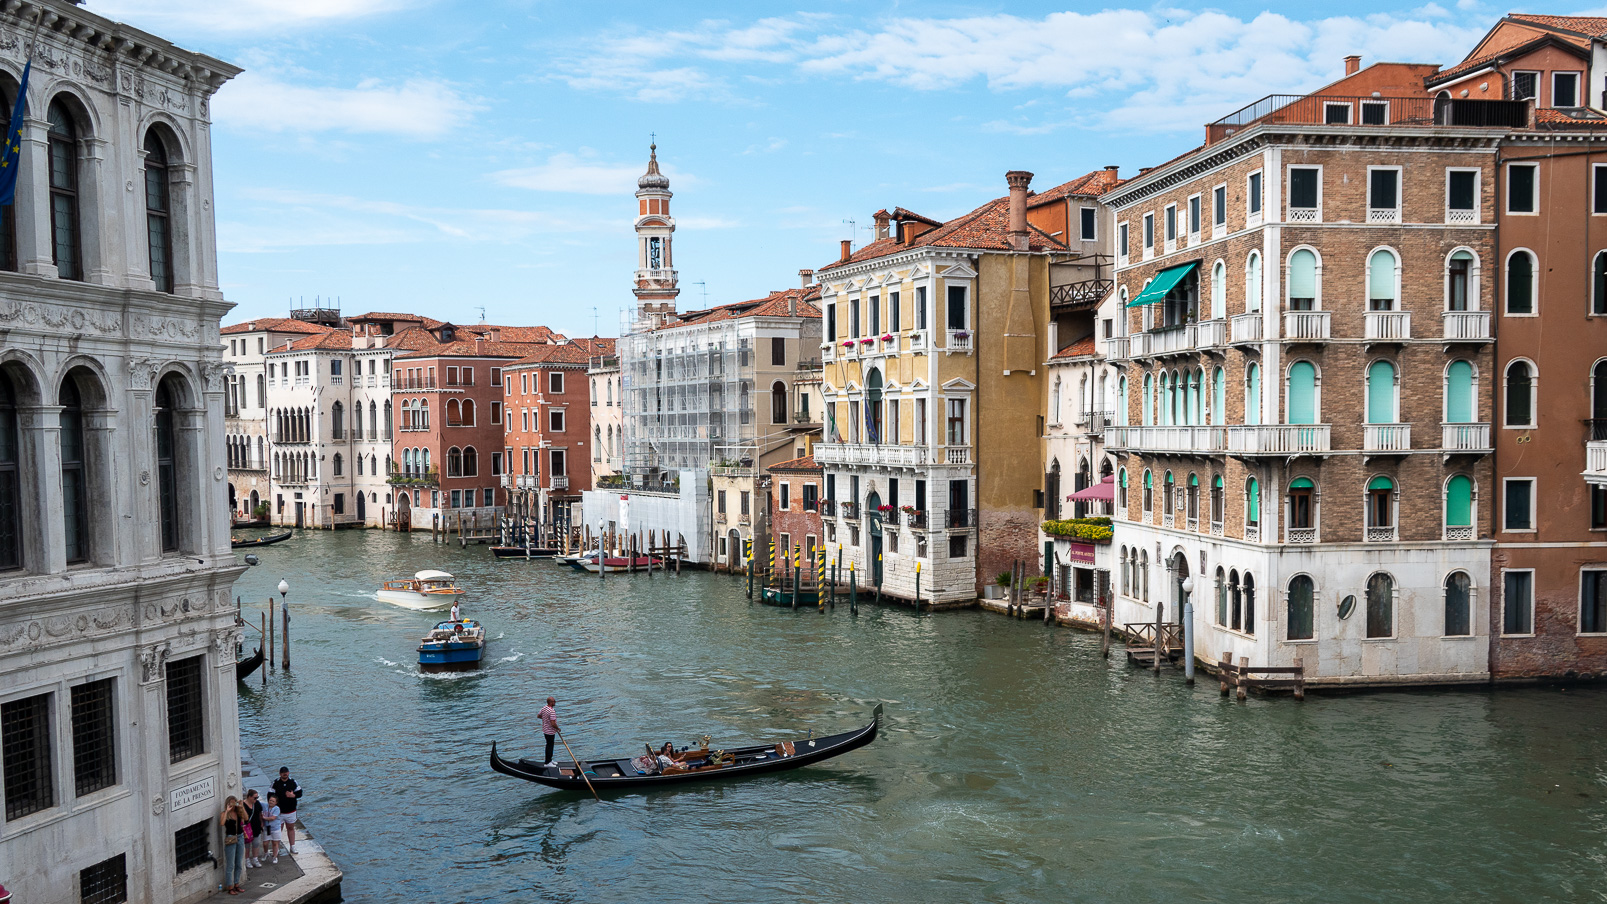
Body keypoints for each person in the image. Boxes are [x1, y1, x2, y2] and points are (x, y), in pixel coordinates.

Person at [220, 796, 248, 894]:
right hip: (231, 839)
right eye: (231, 803)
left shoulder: (238, 813)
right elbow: (222, 823)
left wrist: (241, 806)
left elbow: (246, 817)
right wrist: (227, 811)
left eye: (234, 803)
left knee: (239, 863)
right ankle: (230, 887)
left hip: (240, 837)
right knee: (230, 865)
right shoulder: (224, 814)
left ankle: (237, 884)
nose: (233, 805)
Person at [271, 766, 302, 854]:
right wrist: (274, 806)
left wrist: (293, 795)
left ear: (288, 773)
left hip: (291, 811)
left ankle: (292, 846)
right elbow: (270, 795)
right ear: (280, 774)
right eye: (283, 773)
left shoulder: (293, 782)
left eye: (286, 773)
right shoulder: (275, 783)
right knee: (278, 830)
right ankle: (276, 849)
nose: (285, 774)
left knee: (291, 828)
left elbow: (300, 793)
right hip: (279, 812)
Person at [244, 789, 266, 868]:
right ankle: (247, 860)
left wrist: (261, 823)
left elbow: (260, 813)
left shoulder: (257, 804)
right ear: (249, 797)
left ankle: (255, 859)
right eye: (254, 798)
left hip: (256, 826)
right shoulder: (243, 805)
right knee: (247, 845)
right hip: (247, 828)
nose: (256, 799)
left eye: (257, 797)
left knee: (256, 844)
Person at [537, 697, 559, 767]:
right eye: (554, 701)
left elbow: (539, 716)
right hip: (550, 731)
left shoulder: (544, 708)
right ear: (550, 702)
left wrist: (546, 720)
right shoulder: (552, 711)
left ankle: (550, 759)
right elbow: (553, 723)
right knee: (550, 746)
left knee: (549, 745)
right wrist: (558, 728)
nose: (555, 702)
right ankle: (547, 762)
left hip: (545, 730)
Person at [263, 794, 285, 864]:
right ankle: (266, 853)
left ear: (276, 803)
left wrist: (264, 818)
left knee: (275, 843)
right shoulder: (265, 806)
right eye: (270, 800)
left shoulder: (277, 809)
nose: (271, 802)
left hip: (275, 828)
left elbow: (273, 818)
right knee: (265, 843)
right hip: (267, 828)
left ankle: (275, 856)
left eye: (273, 801)